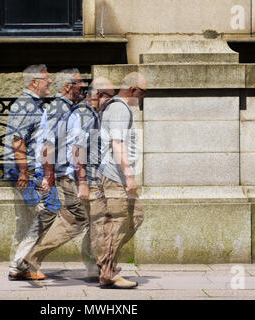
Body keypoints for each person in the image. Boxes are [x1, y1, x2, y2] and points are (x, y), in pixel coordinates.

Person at [22, 68, 93, 276]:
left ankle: (97, 266)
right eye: (80, 83)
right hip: (66, 175)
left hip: (68, 173)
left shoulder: (68, 108)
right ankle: (32, 258)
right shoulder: (59, 109)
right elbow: (47, 145)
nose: (83, 87)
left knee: (83, 218)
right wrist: (49, 176)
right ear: (68, 86)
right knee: (78, 218)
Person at [3, 64, 58, 281]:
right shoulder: (25, 105)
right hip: (25, 171)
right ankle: (20, 263)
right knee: (50, 210)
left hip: (25, 170)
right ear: (34, 82)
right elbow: (18, 141)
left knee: (25, 220)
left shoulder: (35, 105)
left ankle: (19, 266)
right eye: (46, 79)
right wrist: (24, 172)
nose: (50, 82)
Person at [97, 72, 147, 289]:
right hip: (115, 176)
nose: (144, 98)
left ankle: (106, 265)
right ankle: (107, 270)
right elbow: (118, 145)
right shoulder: (119, 109)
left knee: (128, 218)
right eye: (144, 92)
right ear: (133, 90)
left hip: (113, 176)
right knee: (121, 222)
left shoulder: (116, 107)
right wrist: (129, 176)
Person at [73, 77, 116, 279]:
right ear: (99, 95)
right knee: (99, 223)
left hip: (94, 177)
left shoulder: (94, 113)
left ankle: (94, 266)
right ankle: (101, 268)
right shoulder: (86, 114)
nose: (112, 101)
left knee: (96, 223)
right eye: (110, 96)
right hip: (88, 178)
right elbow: (77, 149)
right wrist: (83, 183)